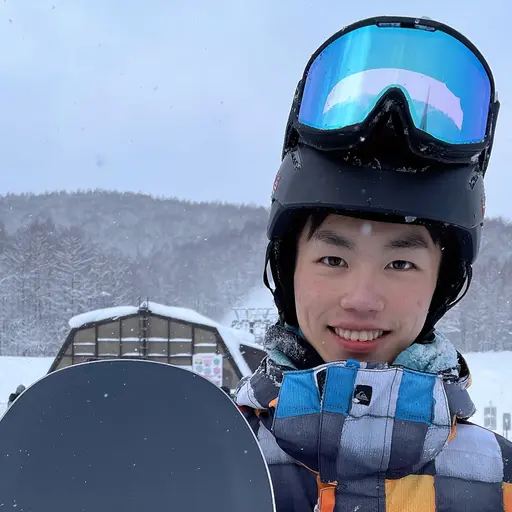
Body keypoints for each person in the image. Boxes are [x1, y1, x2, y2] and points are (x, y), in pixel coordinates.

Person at [234, 15, 512, 511]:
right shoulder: (203, 456)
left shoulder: (501, 484)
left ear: (441, 283)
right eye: (333, 258)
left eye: (400, 264)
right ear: (288, 268)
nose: (361, 300)